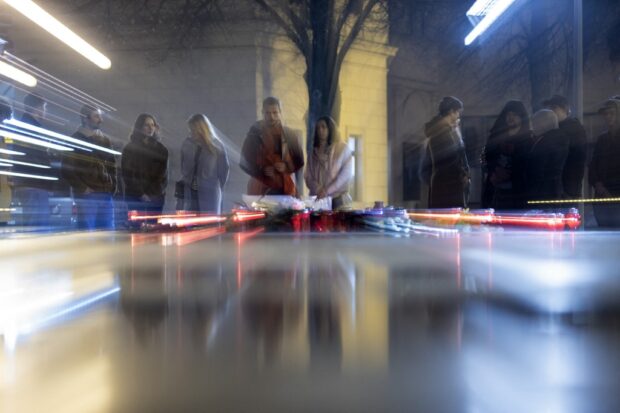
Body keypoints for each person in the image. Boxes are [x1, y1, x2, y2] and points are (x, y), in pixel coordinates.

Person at [63, 105, 118, 229]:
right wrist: (82, 188)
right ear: (85, 118)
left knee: (107, 234)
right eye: (96, 116)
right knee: (88, 234)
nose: (100, 120)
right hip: (87, 195)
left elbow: (112, 165)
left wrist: (112, 186)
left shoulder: (105, 140)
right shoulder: (75, 140)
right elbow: (67, 169)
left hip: (105, 194)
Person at [240, 97, 304, 197]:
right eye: (267, 113)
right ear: (262, 113)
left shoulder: (289, 134)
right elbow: (244, 161)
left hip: (284, 188)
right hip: (259, 188)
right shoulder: (254, 133)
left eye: (275, 112)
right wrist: (261, 170)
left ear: (280, 112)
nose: (271, 117)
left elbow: (299, 161)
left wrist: (286, 167)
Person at [10, 93, 53, 226]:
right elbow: (35, 158)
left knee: (32, 224)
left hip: (30, 183)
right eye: (44, 107)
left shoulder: (25, 126)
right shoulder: (31, 128)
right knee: (37, 225)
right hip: (34, 184)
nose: (45, 111)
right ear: (37, 108)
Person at [482, 100, 532, 209]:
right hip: (496, 188)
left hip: (518, 190)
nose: (511, 118)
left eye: (515, 115)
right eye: (508, 114)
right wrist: (494, 171)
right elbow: (487, 156)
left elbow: (528, 164)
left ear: (521, 117)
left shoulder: (528, 138)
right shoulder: (496, 136)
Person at [424, 96, 470, 208]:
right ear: (451, 111)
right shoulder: (441, 133)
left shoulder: (446, 130)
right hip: (447, 184)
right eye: (458, 112)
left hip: (446, 183)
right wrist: (462, 174)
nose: (459, 116)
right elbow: (451, 157)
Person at [179, 114, 229, 213]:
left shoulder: (217, 145)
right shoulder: (187, 144)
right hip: (190, 192)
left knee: (209, 222)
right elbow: (183, 166)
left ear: (201, 129)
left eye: (193, 129)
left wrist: (218, 187)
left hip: (209, 192)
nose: (191, 132)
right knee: (191, 223)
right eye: (190, 129)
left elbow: (224, 170)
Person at [121, 114, 168, 214]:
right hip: (135, 197)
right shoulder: (130, 148)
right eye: (147, 125)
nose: (151, 128)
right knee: (136, 227)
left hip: (155, 197)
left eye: (153, 125)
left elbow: (162, 176)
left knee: (154, 228)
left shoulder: (161, 149)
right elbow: (128, 174)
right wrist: (141, 194)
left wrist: (151, 194)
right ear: (140, 127)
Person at [542, 95, 588, 199]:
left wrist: (567, 190)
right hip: (560, 189)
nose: (551, 112)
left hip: (566, 190)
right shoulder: (555, 129)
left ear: (564, 109)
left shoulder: (573, 129)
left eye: (554, 108)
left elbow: (575, 161)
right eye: (549, 109)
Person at [304, 116, 353, 210]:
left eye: (323, 127)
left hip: (339, 200)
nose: (320, 130)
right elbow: (308, 176)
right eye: (318, 128)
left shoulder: (343, 149)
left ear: (330, 129)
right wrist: (318, 189)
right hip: (319, 200)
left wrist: (327, 190)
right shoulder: (312, 153)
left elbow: (345, 175)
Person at [588, 98, 620, 227]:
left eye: (612, 113)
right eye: (606, 114)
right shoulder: (602, 139)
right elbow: (593, 165)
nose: (608, 117)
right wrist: (598, 184)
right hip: (602, 196)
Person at [525, 110, 569, 202]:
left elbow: (537, 168)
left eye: (535, 123)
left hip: (543, 192)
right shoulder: (556, 139)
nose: (532, 128)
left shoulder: (546, 142)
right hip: (550, 190)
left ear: (544, 123)